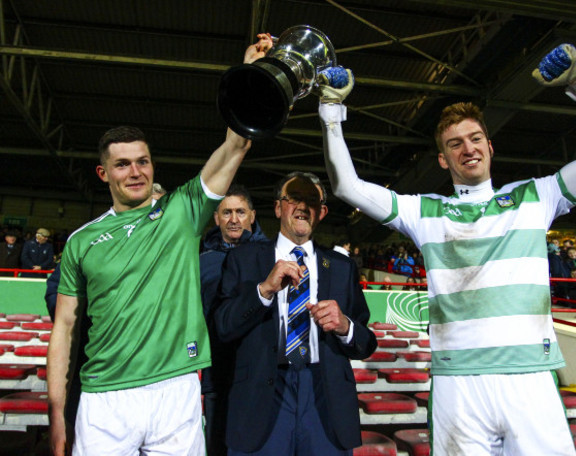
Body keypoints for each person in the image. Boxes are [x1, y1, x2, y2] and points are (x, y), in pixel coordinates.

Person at [318, 43, 576, 454]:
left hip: (530, 379)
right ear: (442, 159)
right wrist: (330, 112)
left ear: (489, 146)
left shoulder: (536, 196)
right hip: (458, 382)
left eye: (475, 138)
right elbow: (347, 186)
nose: (468, 148)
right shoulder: (423, 211)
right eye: (455, 144)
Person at [46, 34, 273, 456]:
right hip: (104, 399)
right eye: (123, 164)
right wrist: (58, 413)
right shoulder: (82, 241)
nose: (136, 171)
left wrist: (252, 72)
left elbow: (236, 144)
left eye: (143, 161)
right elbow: (64, 330)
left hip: (176, 389)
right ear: (103, 173)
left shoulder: (181, 211)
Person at [214, 171, 377, 455]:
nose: (302, 206)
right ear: (278, 207)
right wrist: (264, 290)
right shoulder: (242, 259)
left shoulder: (342, 267)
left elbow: (366, 342)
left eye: (311, 200)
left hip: (324, 398)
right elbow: (223, 327)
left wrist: (345, 326)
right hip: (261, 395)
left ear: (322, 212)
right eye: (294, 198)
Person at [199, 184, 267, 456]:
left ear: (252, 215)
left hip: (259, 371)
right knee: (216, 443)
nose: (234, 219)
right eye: (226, 212)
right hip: (216, 370)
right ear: (216, 218)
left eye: (240, 211)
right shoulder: (201, 260)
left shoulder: (271, 256)